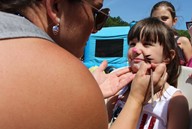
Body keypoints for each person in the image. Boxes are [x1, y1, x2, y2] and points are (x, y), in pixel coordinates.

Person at [0, 0, 167, 129]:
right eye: (97, 14)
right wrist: (136, 99)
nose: (96, 29)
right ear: (56, 7)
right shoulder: (67, 78)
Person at [107, 17, 189, 129]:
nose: (135, 49)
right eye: (132, 44)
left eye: (147, 44)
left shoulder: (175, 101)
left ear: (168, 56)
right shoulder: (120, 91)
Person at [150, 1, 192, 65]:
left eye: (164, 18)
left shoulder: (182, 42)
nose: (160, 22)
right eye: (155, 19)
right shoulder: (147, 42)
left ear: (174, 21)